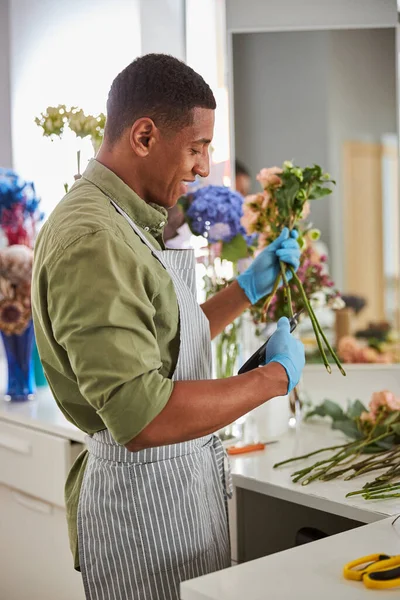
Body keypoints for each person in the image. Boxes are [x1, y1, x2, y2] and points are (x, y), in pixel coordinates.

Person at [32, 54, 304, 600]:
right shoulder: (96, 239)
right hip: (142, 515)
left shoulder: (121, 216)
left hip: (169, 496)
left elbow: (160, 343)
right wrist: (273, 379)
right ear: (144, 135)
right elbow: (143, 415)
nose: (204, 167)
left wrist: (246, 290)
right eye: (197, 146)